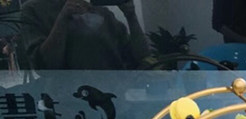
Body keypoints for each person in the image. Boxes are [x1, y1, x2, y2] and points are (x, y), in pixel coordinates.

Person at [20, 0, 149, 70]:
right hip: (66, 103)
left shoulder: (103, 13)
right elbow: (44, 66)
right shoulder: (34, 9)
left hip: (115, 99)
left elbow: (141, 57)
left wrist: (131, 16)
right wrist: (63, 18)